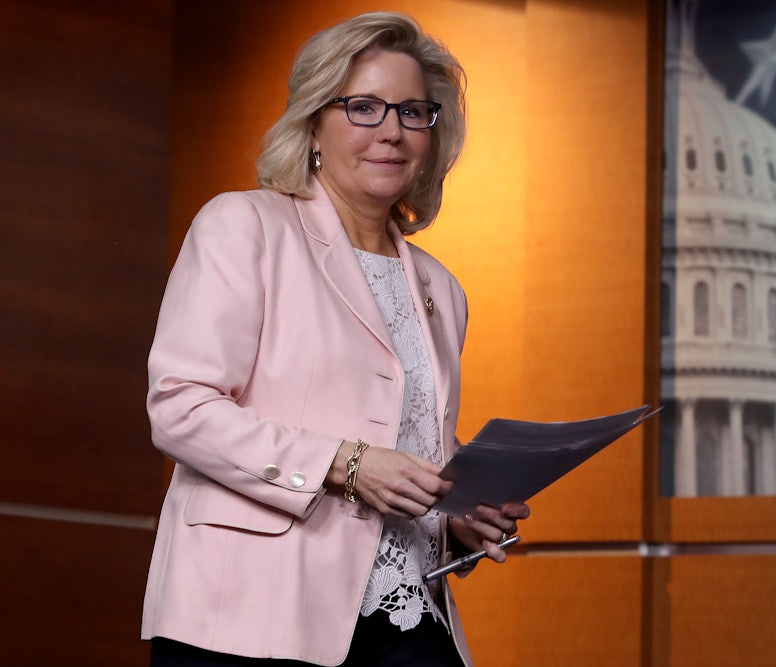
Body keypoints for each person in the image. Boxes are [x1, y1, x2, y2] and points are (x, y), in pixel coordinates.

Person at [141, 12, 529, 667]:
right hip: (250, 612)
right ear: (314, 122)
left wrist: (455, 519)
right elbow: (180, 406)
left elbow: (412, 445)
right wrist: (345, 464)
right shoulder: (245, 227)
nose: (392, 132)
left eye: (412, 112)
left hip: (407, 612)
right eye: (364, 107)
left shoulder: (442, 288)